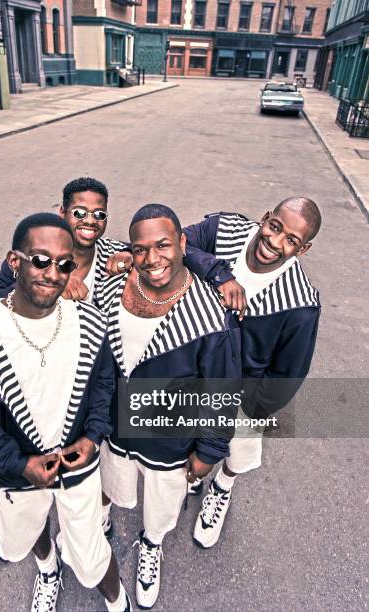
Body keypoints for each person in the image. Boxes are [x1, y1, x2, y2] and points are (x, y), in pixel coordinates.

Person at [0, 213, 131, 612]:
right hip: (15, 471)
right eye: (41, 260)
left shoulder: (89, 322)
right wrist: (21, 462)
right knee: (29, 529)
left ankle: (118, 602)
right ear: (15, 262)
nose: (54, 273)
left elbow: (104, 383)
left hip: (77, 463)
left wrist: (93, 435)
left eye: (65, 264)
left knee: (90, 551)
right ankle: (47, 568)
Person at [95, 204, 242, 609]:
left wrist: (209, 451)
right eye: (140, 249)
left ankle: (151, 545)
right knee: (112, 483)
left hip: (170, 439)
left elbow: (221, 391)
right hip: (115, 427)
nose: (151, 258)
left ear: (182, 244)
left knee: (160, 504)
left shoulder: (212, 315)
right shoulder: (114, 287)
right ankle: (99, 521)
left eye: (163, 245)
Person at [181, 197, 321, 549]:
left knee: (236, 451)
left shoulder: (300, 304)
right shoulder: (225, 230)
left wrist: (246, 412)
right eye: (275, 227)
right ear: (265, 218)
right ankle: (194, 471)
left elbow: (287, 376)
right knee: (188, 433)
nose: (275, 242)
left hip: (245, 393)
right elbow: (178, 241)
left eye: (291, 240)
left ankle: (222, 488)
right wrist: (219, 272)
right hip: (195, 368)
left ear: (303, 249)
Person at [0, 177, 131, 309]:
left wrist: (130, 255)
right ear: (63, 212)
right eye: (79, 213)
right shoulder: (32, 257)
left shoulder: (113, 251)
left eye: (99, 214)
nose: (90, 221)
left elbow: (146, 250)